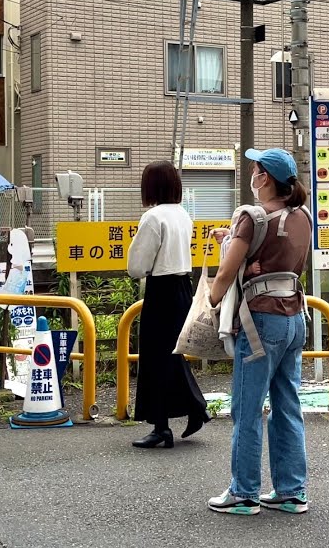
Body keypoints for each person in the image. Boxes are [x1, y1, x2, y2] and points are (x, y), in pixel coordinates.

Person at [206, 148, 313, 516]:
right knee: (287, 405)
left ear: (264, 177)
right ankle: (291, 491)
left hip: (260, 321)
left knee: (248, 408)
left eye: (255, 170)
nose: (252, 175)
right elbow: (282, 257)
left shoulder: (252, 217)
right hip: (295, 317)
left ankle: (244, 493)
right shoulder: (303, 216)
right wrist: (235, 239)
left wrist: (211, 300)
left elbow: (226, 272)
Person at [126, 161, 209, 448]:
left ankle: (164, 425)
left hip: (161, 290)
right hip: (182, 287)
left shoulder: (153, 217)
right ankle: (189, 411)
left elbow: (137, 265)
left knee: (155, 357)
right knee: (172, 355)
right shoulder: (183, 215)